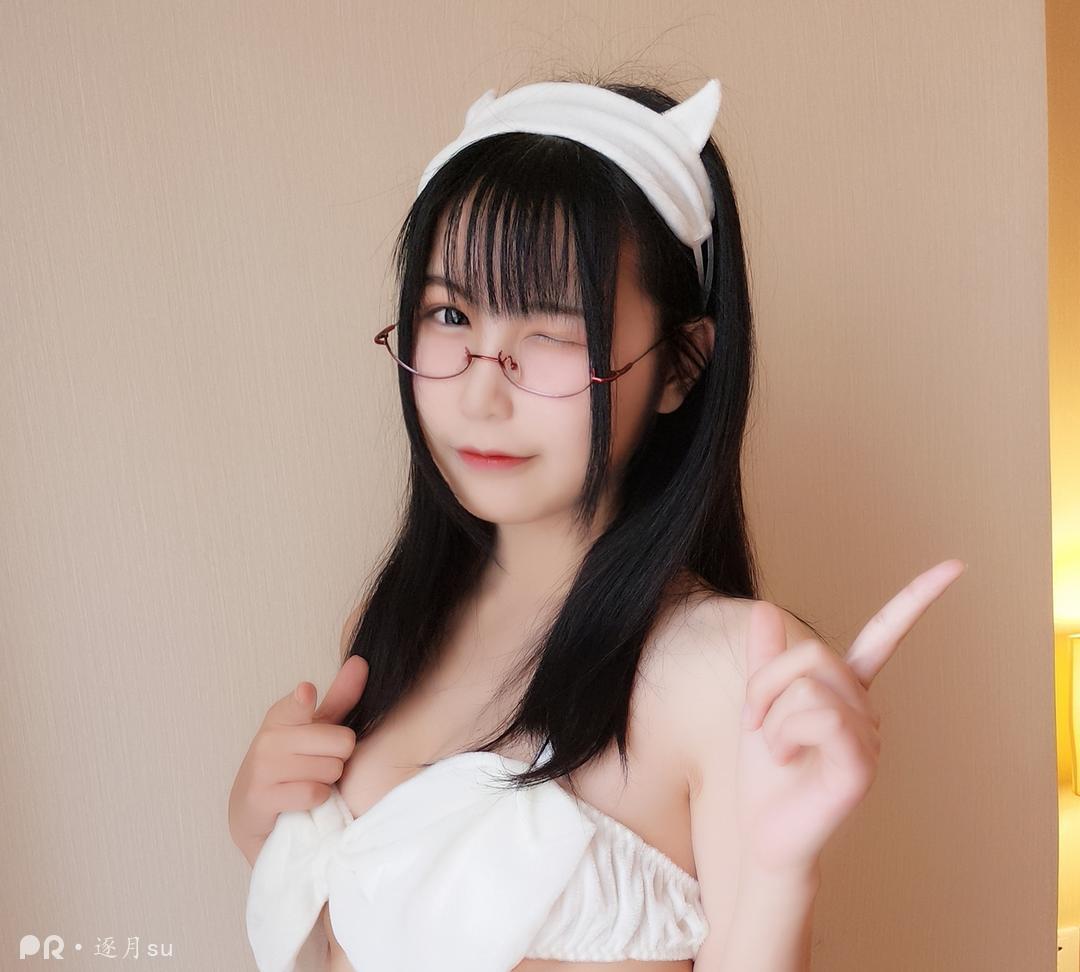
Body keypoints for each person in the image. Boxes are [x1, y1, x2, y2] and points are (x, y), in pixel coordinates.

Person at [228, 73, 966, 972]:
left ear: (681, 366)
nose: (481, 393)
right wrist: (261, 817)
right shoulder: (389, 627)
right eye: (451, 314)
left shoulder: (726, 669)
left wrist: (780, 876)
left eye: (552, 332)